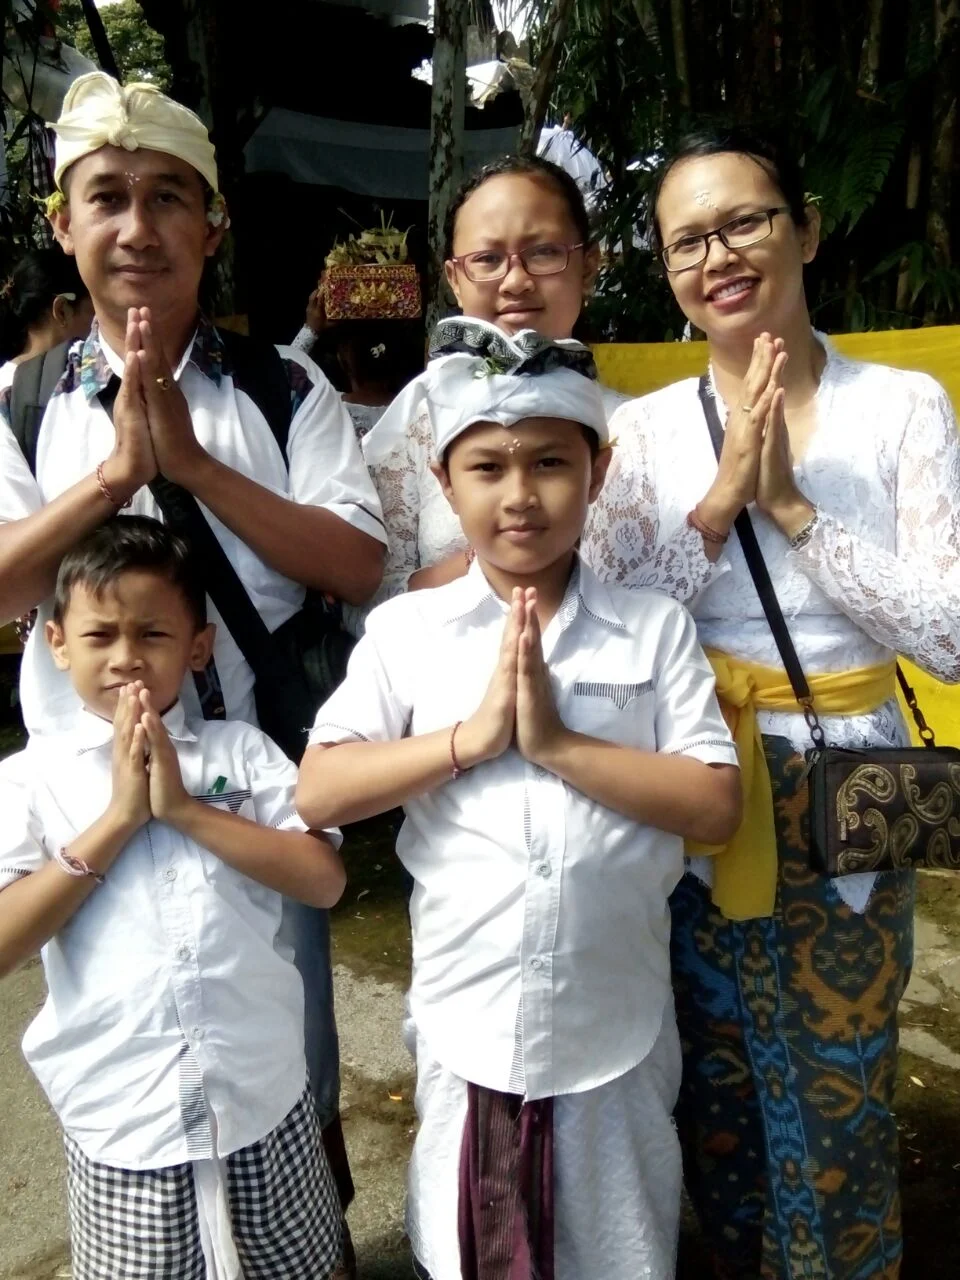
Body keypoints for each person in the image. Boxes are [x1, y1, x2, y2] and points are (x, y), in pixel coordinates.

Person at [0, 72, 384, 1273]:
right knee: (125, 1041)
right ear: (63, 224)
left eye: (169, 196)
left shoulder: (282, 386)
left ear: (210, 228)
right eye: (105, 196)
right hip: (86, 796)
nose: (138, 225)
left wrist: (198, 467)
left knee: (289, 1052)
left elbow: (360, 560)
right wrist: (113, 477)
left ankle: (297, 1240)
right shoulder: (20, 405)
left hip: (253, 781)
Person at [581, 125, 960, 1280]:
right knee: (719, 1071)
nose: (720, 254)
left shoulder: (898, 408)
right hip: (697, 772)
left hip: (851, 773)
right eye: (688, 239)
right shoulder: (637, 433)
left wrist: (793, 507)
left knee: (842, 1075)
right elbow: (611, 617)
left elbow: (947, 636)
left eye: (744, 220)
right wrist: (716, 504)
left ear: (803, 226)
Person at [297, 332, 742, 1280]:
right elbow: (320, 787)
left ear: (599, 470)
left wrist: (558, 747)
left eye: (550, 463)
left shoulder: (650, 629)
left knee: (618, 1240)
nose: (520, 494)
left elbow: (714, 806)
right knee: (472, 1248)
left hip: (614, 1017)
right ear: (444, 480)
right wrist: (469, 739)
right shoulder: (410, 632)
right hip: (472, 1017)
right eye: (488, 467)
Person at [0, 516, 347, 1279]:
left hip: (259, 1094)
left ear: (198, 647)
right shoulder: (31, 783)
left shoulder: (241, 755)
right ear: (57, 644)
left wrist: (186, 810)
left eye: (153, 635)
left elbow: (322, 879)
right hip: (125, 1117)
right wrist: (120, 819)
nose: (126, 659)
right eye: (100, 638)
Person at [361, 153, 626, 614]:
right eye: (488, 259)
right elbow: (367, 594)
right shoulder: (411, 431)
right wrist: (488, 562)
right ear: (455, 280)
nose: (516, 281)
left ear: (588, 265)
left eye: (543, 252)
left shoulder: (642, 425)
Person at [291, 287, 424, 441]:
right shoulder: (419, 414)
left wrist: (311, 330)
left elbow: (280, 384)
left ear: (342, 359)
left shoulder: (323, 411)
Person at [0, 247, 93, 389]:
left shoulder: (5, 382)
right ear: (62, 311)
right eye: (93, 310)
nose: (98, 321)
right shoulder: (88, 378)